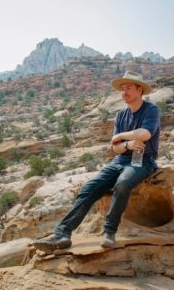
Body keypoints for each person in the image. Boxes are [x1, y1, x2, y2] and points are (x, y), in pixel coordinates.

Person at [33, 71, 160, 252]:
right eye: (122, 89)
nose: (124, 92)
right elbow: (115, 148)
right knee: (88, 188)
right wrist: (128, 144)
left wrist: (120, 136)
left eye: (129, 88)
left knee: (123, 183)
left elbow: (145, 134)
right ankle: (62, 234)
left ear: (140, 89)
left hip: (143, 161)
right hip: (120, 160)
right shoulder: (120, 116)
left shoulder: (151, 110)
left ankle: (109, 231)